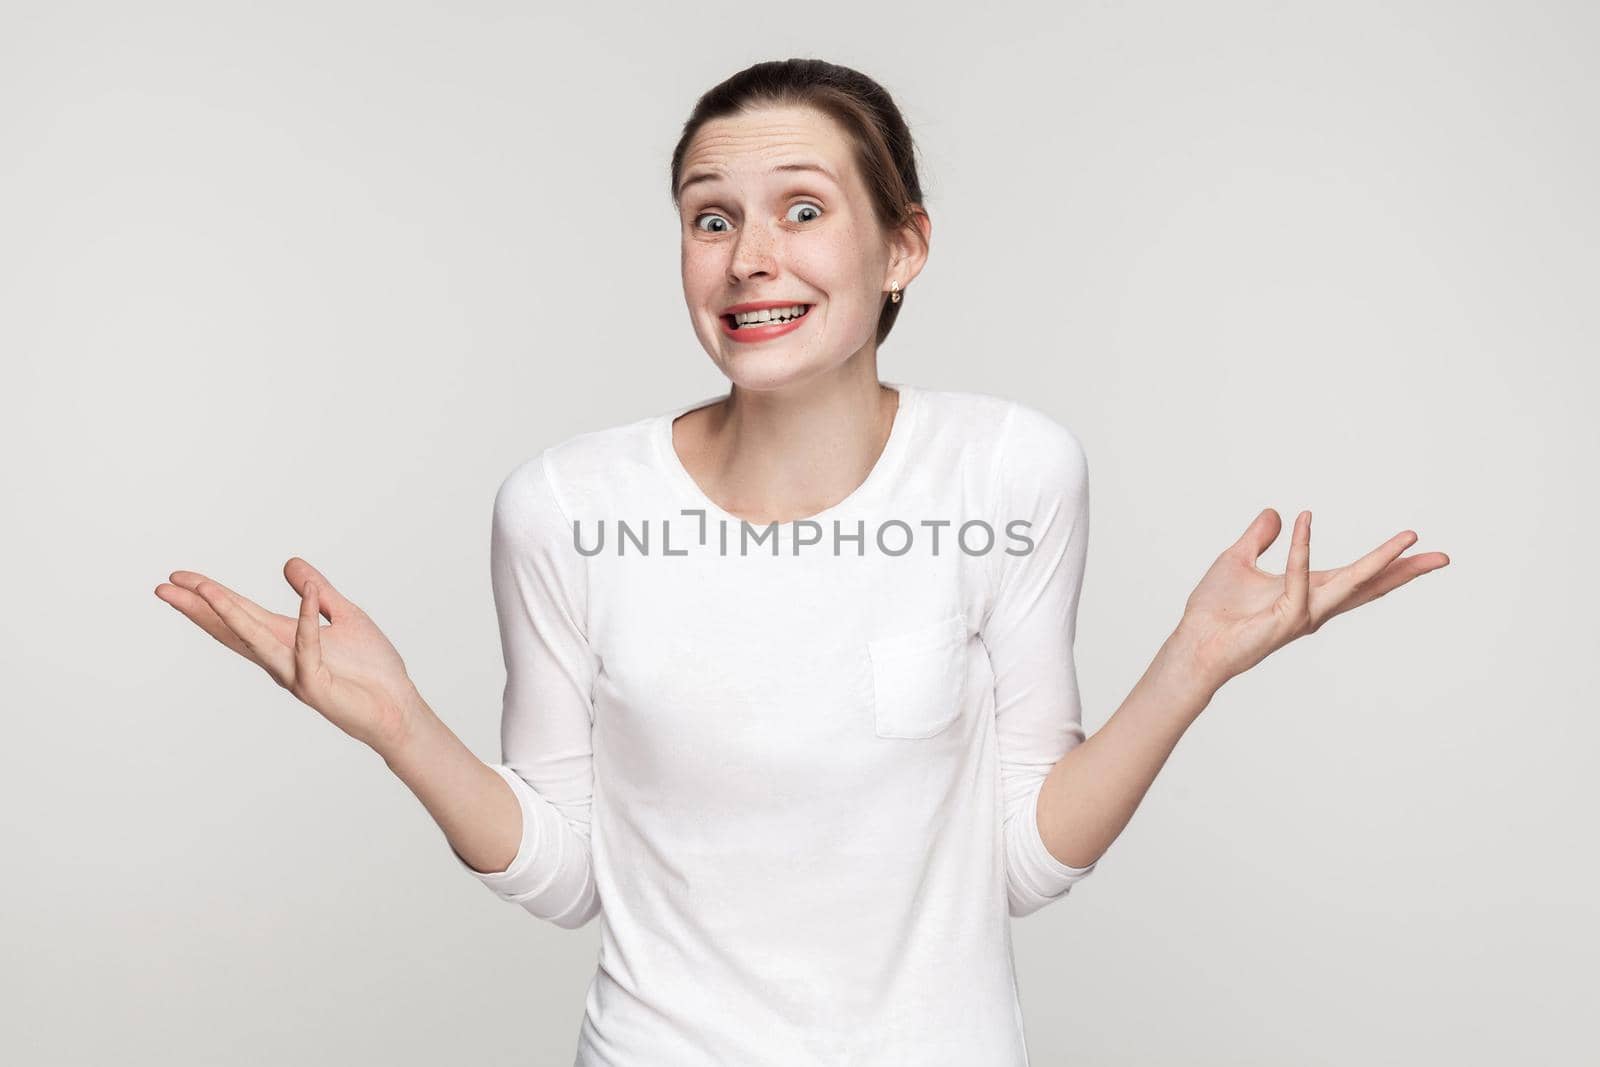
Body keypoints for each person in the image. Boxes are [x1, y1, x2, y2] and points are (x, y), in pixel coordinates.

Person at [155, 58, 1450, 1066]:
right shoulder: (563, 505)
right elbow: (568, 875)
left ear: (903, 248)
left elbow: (1019, 859)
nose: (749, 257)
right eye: (709, 218)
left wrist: (1193, 666)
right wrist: (399, 727)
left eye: (803, 210)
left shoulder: (1008, 473)